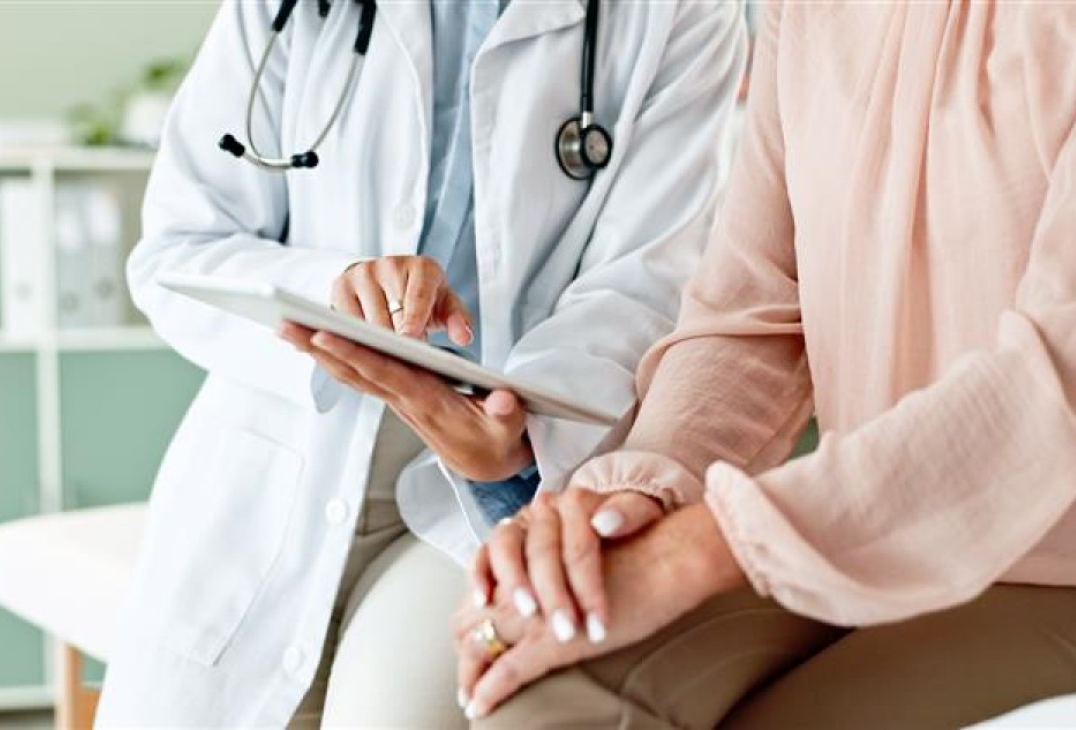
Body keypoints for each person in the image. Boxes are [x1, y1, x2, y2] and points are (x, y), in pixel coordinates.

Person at [95, 0, 747, 726]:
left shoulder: (680, 13)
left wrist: (517, 439)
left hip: (494, 486)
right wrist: (335, 291)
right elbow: (177, 250)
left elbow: (642, 283)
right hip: (283, 456)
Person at [453, 2, 1076, 727]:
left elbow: (1053, 382)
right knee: (543, 694)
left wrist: (701, 548)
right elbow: (751, 310)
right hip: (846, 530)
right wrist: (625, 502)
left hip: (1050, 567)